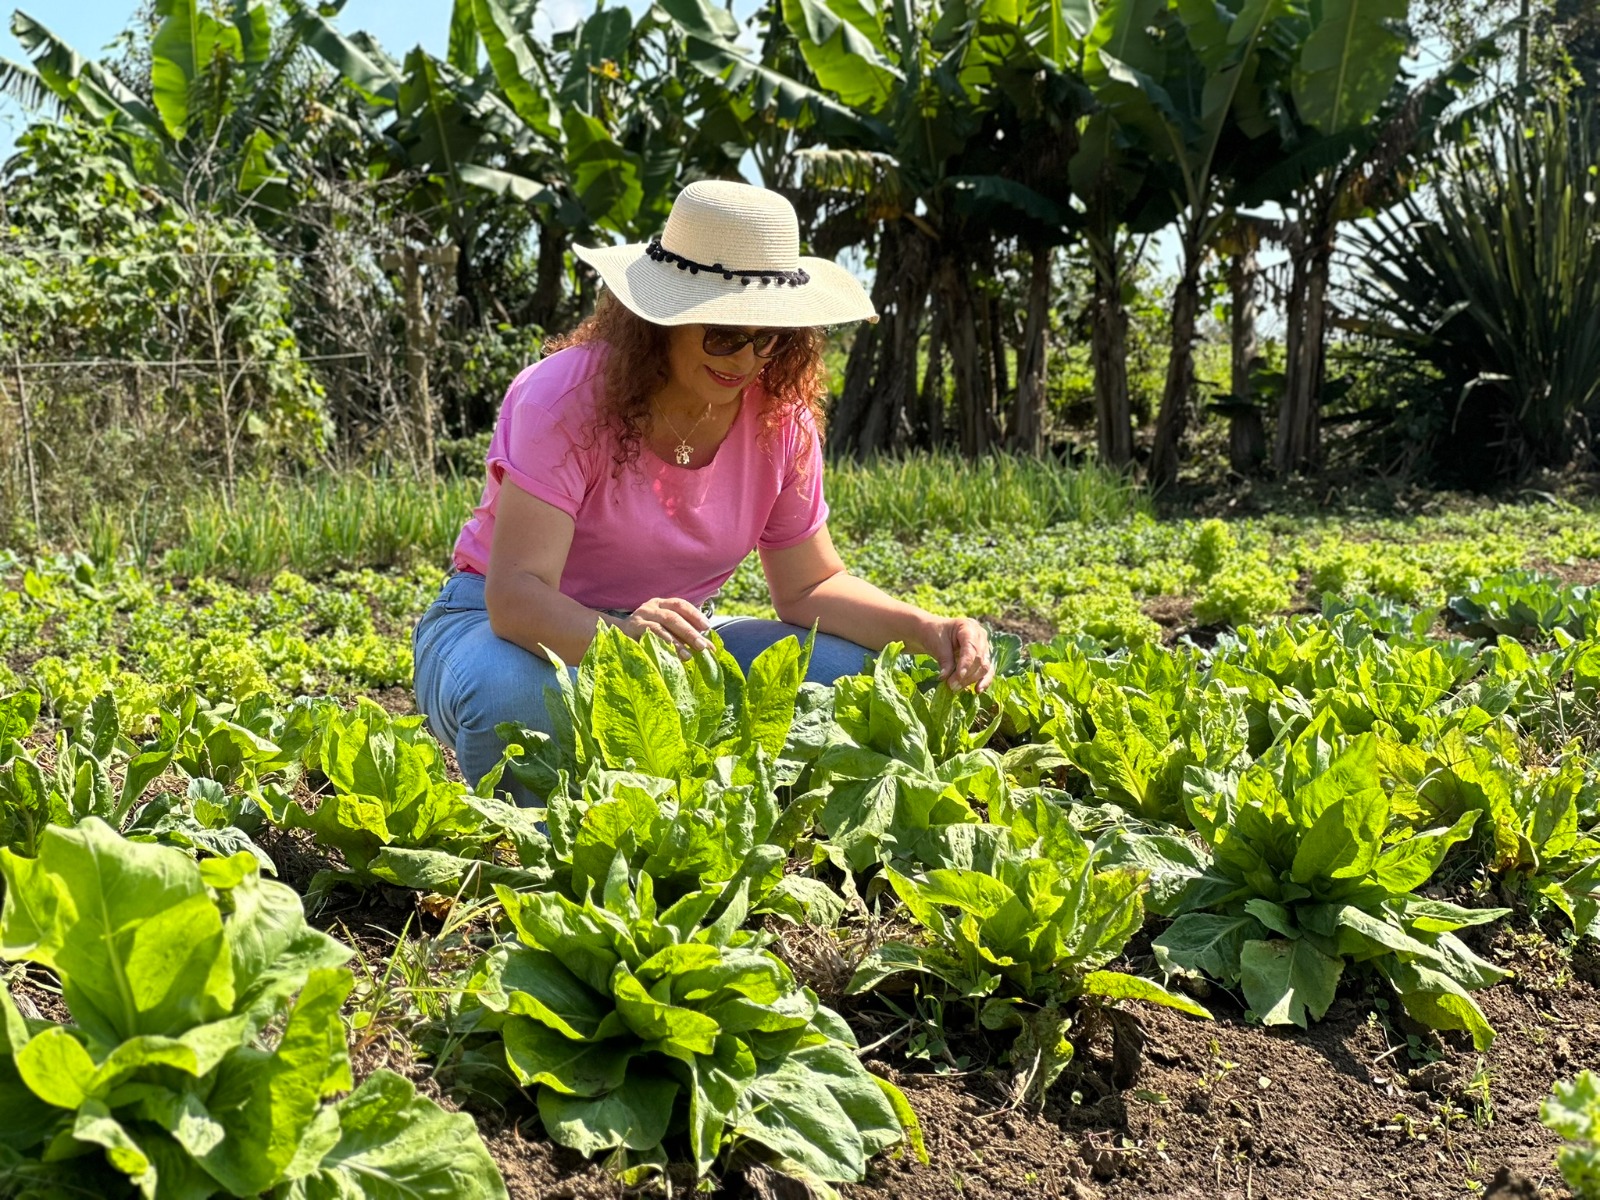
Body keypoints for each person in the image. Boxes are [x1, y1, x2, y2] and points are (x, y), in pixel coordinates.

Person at [413, 180, 994, 804]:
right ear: (662, 320)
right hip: (508, 632)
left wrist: (930, 629)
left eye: (766, 337)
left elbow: (808, 587)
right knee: (517, 701)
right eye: (723, 333)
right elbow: (516, 599)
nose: (744, 359)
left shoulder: (781, 419)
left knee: (857, 680)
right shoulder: (564, 399)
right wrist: (624, 639)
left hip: (674, 643)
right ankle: (546, 848)